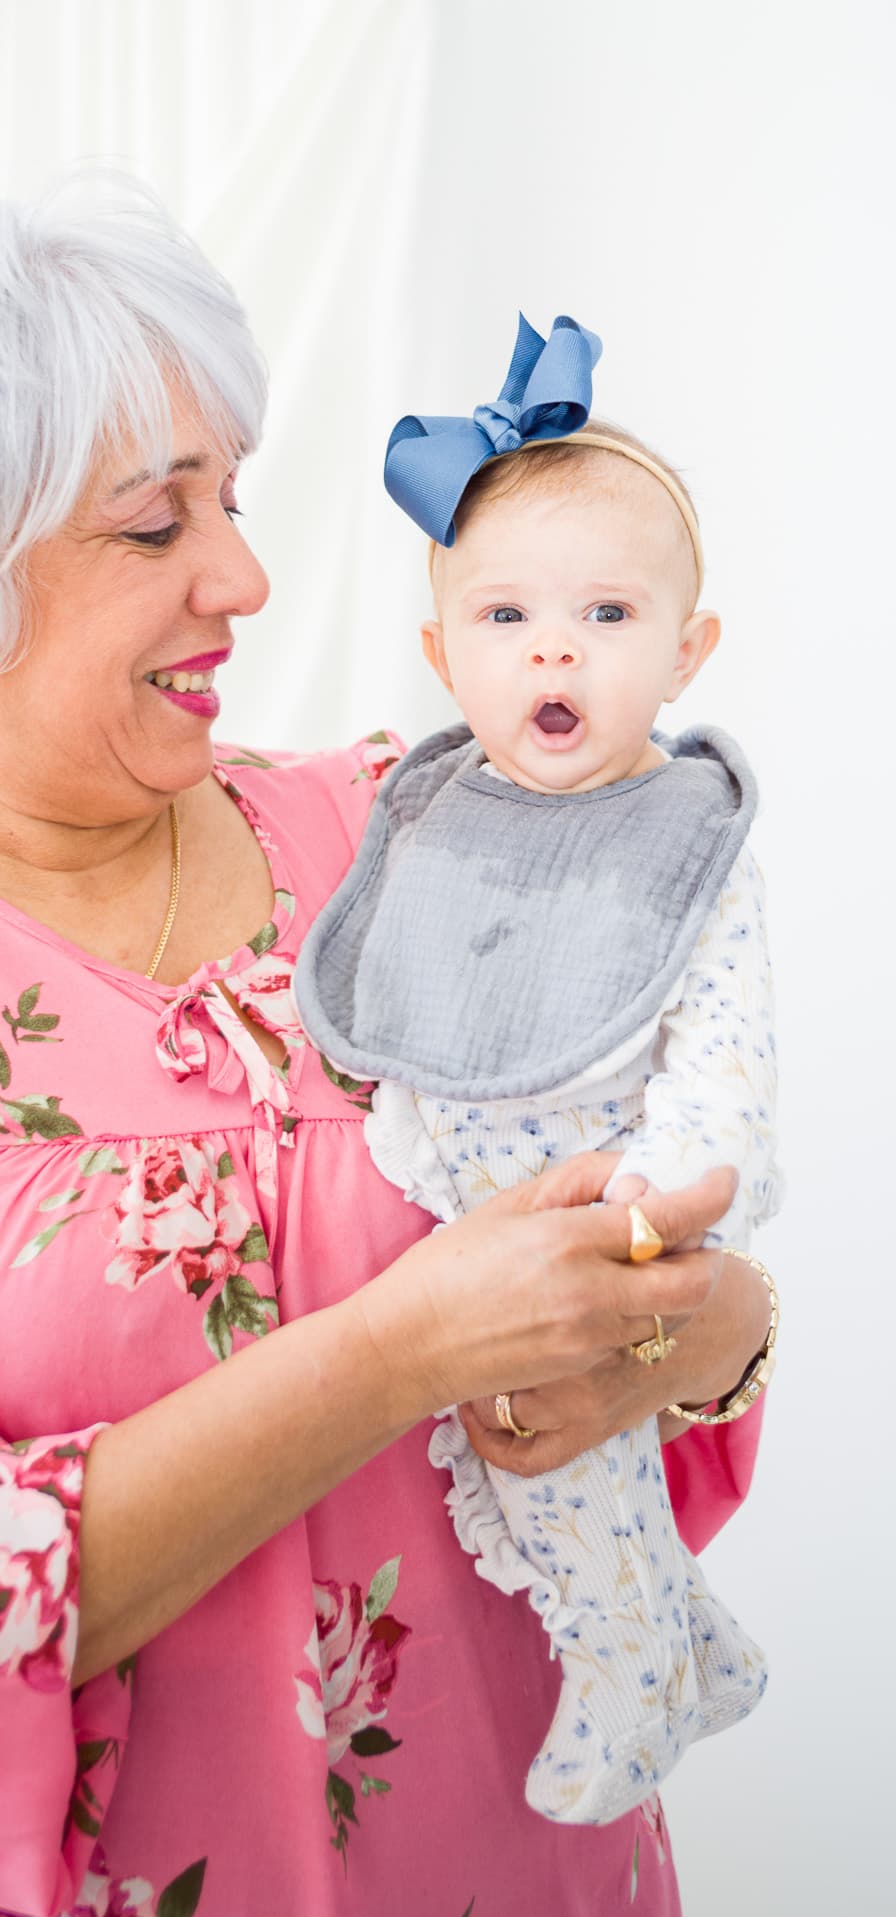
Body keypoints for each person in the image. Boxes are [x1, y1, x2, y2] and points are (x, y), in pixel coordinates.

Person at [0, 182, 772, 1917]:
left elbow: (648, 1289)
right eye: (158, 523)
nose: (246, 577)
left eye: (230, 493)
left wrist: (710, 1333)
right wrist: (390, 1351)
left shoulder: (413, 831)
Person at [294, 314, 781, 1831]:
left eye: (608, 614)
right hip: (464, 1215)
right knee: (515, 1465)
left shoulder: (680, 842)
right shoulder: (433, 808)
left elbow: (725, 1043)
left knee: (562, 1460)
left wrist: (679, 1188)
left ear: (687, 652)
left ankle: (633, 1663)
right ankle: (689, 1643)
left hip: (608, 1215)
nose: (553, 649)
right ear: (443, 657)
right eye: (503, 619)